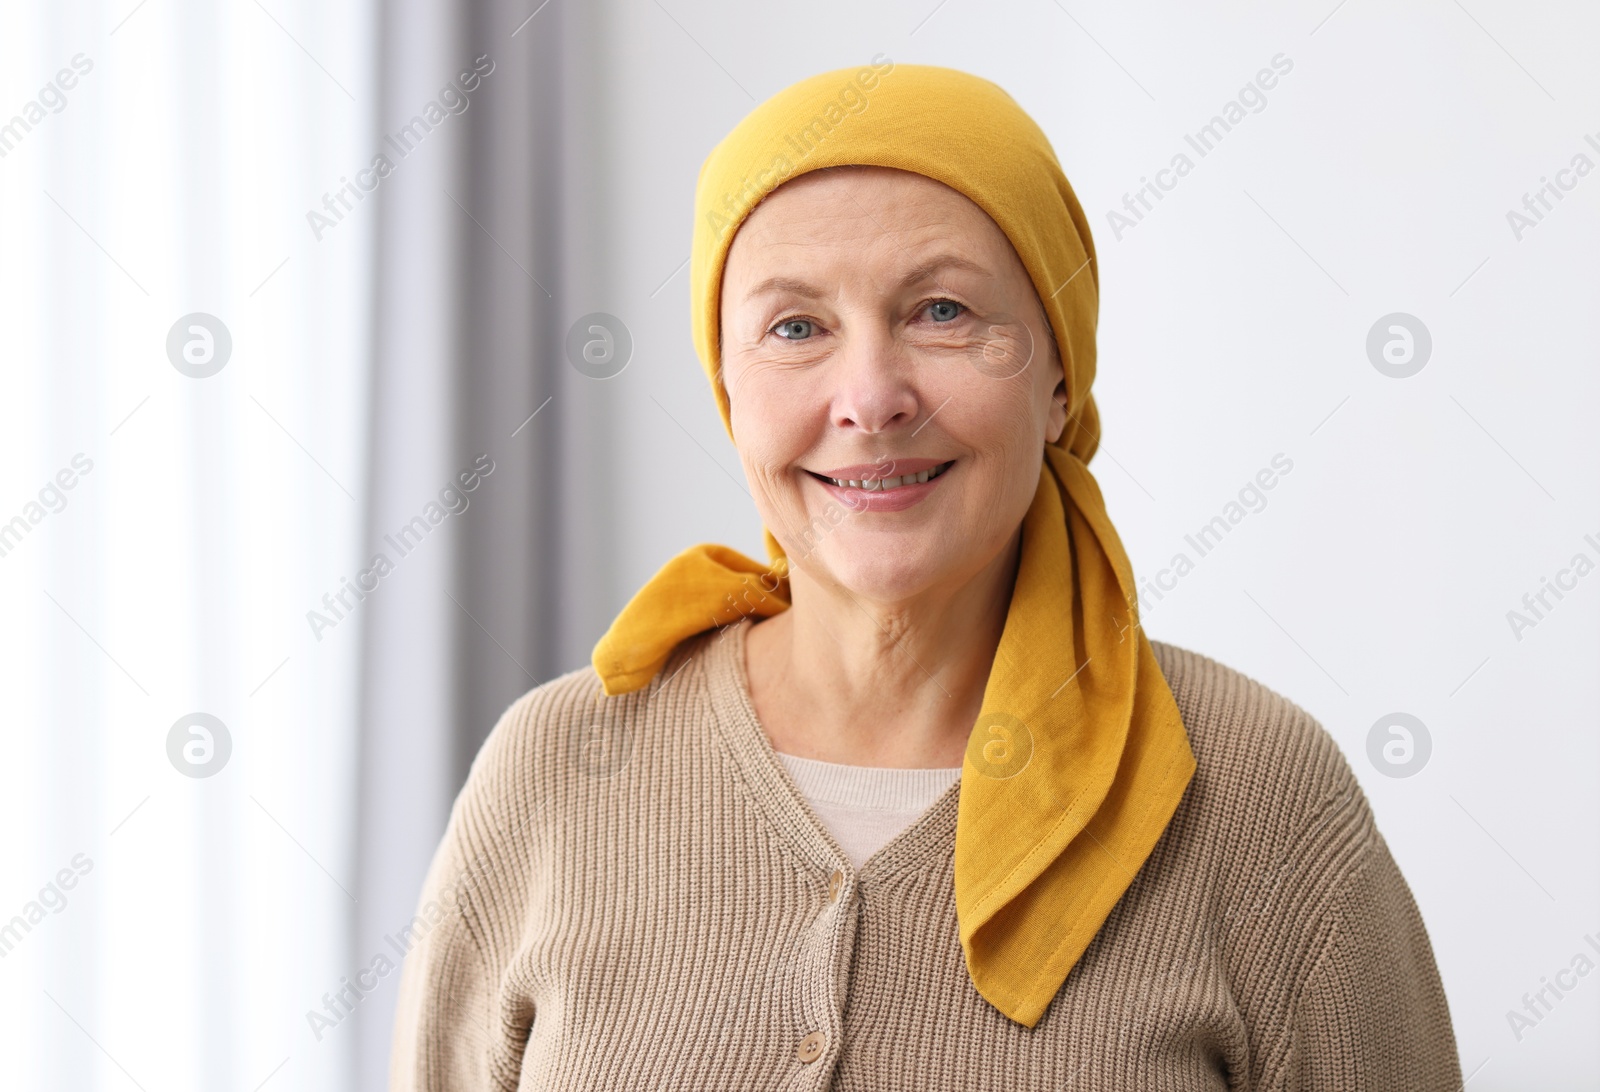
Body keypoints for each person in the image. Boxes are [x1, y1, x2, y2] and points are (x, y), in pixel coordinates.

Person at [389, 62, 1461, 1089]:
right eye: (795, 327)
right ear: (728, 392)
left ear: (1056, 376)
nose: (870, 397)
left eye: (941, 312)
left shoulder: (1259, 794)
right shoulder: (553, 769)